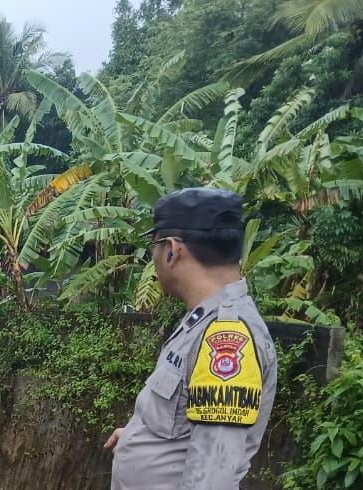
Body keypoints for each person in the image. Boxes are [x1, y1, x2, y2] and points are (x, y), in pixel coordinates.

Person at [104, 187, 278, 489]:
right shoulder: (202, 321)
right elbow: (181, 422)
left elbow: (212, 478)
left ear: (172, 250)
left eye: (155, 246)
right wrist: (136, 436)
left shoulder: (226, 337)